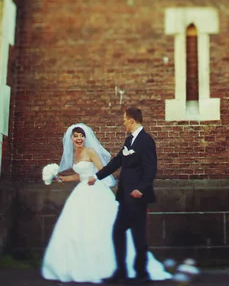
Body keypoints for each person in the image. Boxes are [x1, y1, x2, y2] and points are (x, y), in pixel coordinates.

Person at [41, 122, 170, 284]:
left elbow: (102, 170)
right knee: (77, 227)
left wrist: (95, 178)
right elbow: (79, 175)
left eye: (81, 136)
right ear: (71, 139)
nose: (79, 139)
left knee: (100, 226)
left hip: (95, 191)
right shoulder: (75, 154)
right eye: (76, 136)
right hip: (81, 192)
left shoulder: (90, 151)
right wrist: (61, 178)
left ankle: (114, 267)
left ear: (85, 137)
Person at [89, 107, 157, 285]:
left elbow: (151, 168)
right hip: (125, 197)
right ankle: (121, 271)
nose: (123, 123)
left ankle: (142, 274)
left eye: (125, 120)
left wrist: (141, 188)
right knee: (118, 231)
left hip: (137, 197)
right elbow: (117, 162)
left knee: (138, 235)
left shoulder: (146, 140)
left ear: (132, 120)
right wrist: (96, 177)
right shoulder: (129, 141)